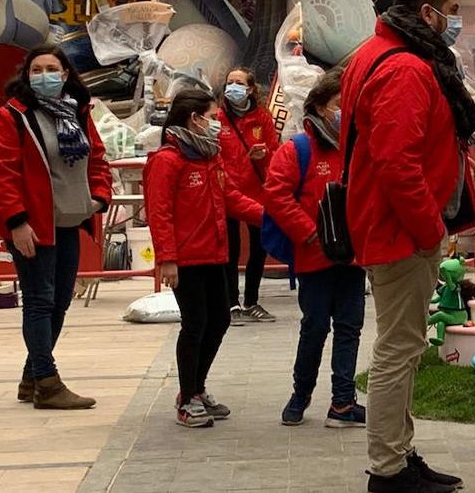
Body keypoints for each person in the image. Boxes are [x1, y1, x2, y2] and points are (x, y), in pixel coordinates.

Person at [342, 0, 475, 493]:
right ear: (428, 13)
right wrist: (428, 229)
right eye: (452, 9)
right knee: (398, 351)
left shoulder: (379, 53)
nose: (455, 21)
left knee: (399, 348)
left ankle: (398, 454)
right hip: (400, 230)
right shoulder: (404, 68)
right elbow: (397, 162)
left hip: (390, 224)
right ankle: (388, 469)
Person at [0, 44, 112, 409]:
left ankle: (31, 378)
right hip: (32, 225)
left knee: (60, 301)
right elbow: (0, 172)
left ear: (66, 74)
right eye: (36, 70)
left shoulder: (77, 112)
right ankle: (48, 383)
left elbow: (97, 159)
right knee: (39, 301)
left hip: (69, 220)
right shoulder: (10, 116)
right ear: (26, 75)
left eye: (51, 69)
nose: (44, 76)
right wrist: (17, 221)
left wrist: (100, 198)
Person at [145, 88, 264, 428]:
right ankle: (187, 398)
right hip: (185, 259)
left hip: (215, 254)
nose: (217, 124)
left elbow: (231, 198)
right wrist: (167, 258)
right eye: (212, 118)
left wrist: (269, 216)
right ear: (194, 119)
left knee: (220, 320)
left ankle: (196, 388)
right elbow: (159, 213)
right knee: (195, 323)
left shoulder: (210, 155)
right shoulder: (167, 160)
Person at [262, 69, 367, 429]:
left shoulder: (357, 147)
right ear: (321, 107)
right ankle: (301, 394)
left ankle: (342, 402)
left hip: (353, 258)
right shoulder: (298, 149)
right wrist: (309, 234)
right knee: (315, 328)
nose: (346, 111)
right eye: (340, 104)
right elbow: (276, 194)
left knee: (350, 328)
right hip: (314, 259)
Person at [217, 67, 280, 324]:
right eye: (230, 82)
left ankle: (252, 301)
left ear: (251, 89)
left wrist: (263, 156)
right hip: (227, 192)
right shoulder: (218, 118)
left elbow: (275, 154)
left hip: (257, 192)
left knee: (259, 248)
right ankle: (231, 302)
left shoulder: (262, 118)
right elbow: (215, 156)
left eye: (239, 83)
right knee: (230, 249)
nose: (233, 87)